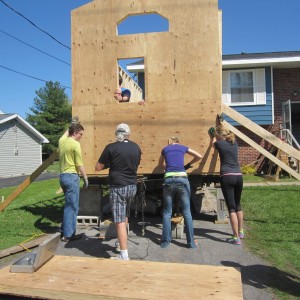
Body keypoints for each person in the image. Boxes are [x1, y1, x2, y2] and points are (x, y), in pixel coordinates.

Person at [95, 123, 141, 260]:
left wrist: (111, 163)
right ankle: (121, 244)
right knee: (125, 216)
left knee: (119, 221)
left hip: (118, 187)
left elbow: (98, 167)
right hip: (132, 187)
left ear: (117, 134)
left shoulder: (111, 147)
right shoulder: (136, 147)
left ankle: (124, 255)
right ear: (128, 134)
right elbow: (135, 164)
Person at [158, 136, 202, 249]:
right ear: (178, 141)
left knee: (167, 212)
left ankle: (165, 242)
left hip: (168, 179)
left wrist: (167, 168)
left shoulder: (165, 149)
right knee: (187, 212)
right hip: (182, 179)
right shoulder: (183, 147)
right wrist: (186, 165)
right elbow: (199, 156)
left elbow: (160, 164)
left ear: (170, 141)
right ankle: (191, 243)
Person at [209, 124, 244, 245]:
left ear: (219, 135)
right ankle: (240, 231)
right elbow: (220, 137)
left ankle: (235, 238)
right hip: (239, 176)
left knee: (232, 208)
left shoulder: (219, 144)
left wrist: (212, 136)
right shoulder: (234, 143)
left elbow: (212, 144)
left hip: (227, 176)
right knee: (238, 205)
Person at [58, 118, 89, 242]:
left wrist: (72, 124)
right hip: (71, 177)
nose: (81, 136)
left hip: (62, 177)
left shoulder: (62, 141)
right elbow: (79, 164)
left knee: (68, 205)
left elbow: (66, 133)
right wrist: (85, 177)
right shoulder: (75, 144)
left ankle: (65, 230)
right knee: (72, 207)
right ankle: (68, 235)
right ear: (75, 133)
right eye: (81, 134)